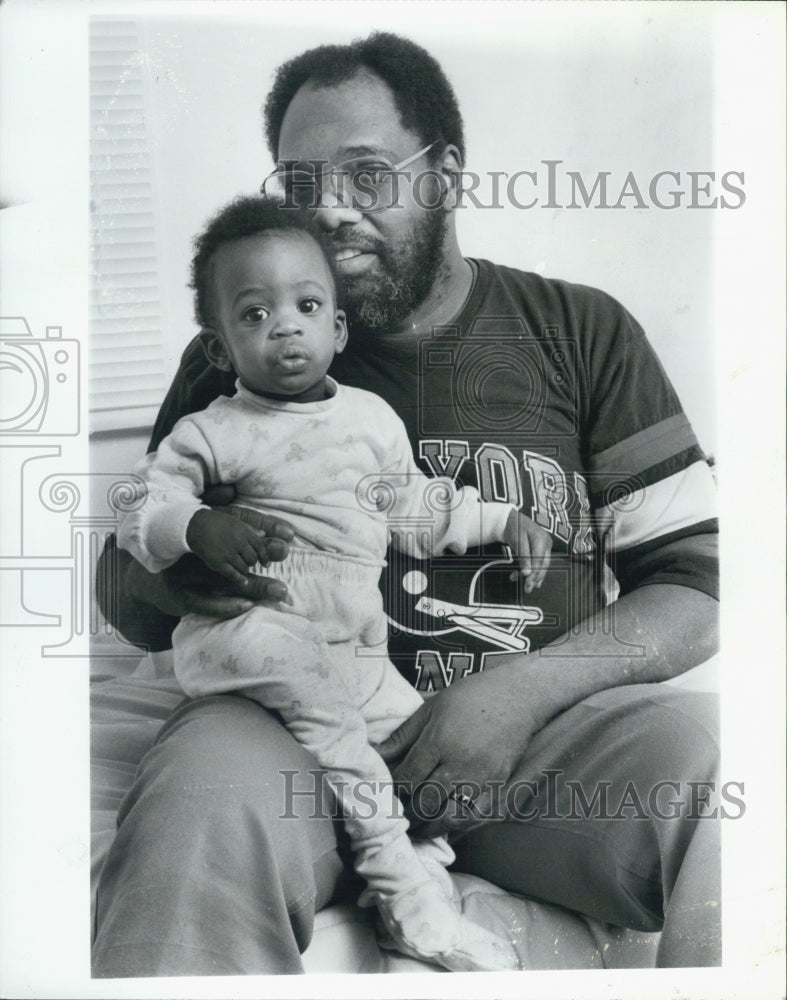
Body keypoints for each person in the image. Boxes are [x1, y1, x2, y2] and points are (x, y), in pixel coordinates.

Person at [93, 32, 720, 976]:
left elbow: (697, 584)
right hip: (289, 733)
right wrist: (182, 559)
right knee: (195, 814)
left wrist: (510, 696)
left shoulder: (580, 330)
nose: (332, 212)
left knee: (722, 771)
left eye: (367, 174)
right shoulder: (240, 357)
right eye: (301, 184)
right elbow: (128, 581)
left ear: (447, 175)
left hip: (533, 756)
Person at [116, 194, 556, 971]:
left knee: (410, 744)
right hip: (245, 639)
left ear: (337, 327)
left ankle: (414, 866)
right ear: (219, 350)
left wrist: (499, 521)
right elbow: (141, 508)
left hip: (352, 650)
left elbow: (418, 510)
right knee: (342, 739)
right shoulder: (212, 432)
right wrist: (198, 528)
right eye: (253, 316)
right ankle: (407, 897)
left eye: (305, 305)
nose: (284, 326)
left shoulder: (371, 421)